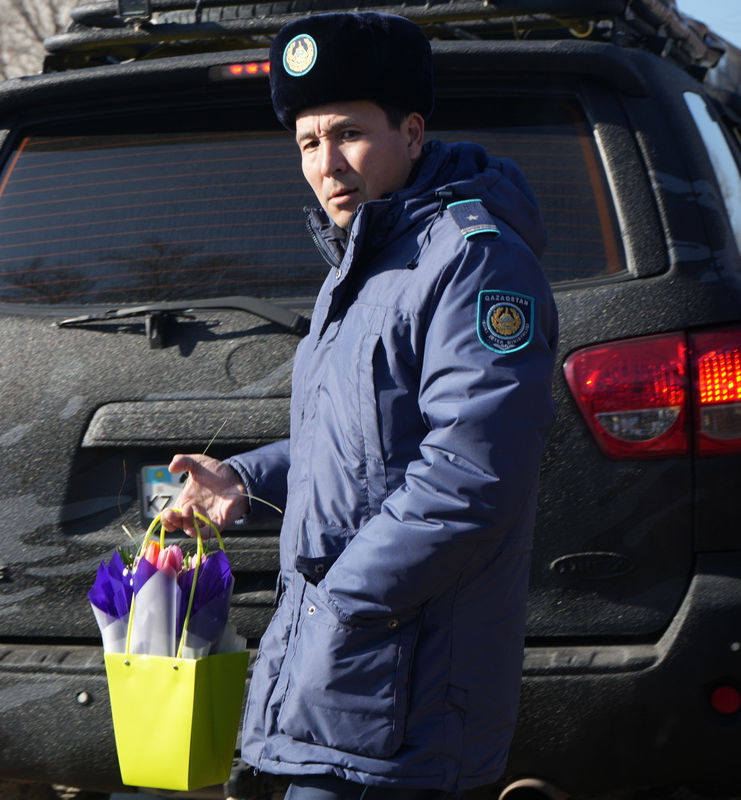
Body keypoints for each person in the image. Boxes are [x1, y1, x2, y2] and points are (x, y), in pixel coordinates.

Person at [159, 12, 558, 800]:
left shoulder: (473, 262)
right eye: (308, 142)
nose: (326, 163)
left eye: (349, 134)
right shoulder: (366, 262)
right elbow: (360, 445)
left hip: (407, 692)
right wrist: (244, 480)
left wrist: (339, 604)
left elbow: (472, 478)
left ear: (412, 132)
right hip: (343, 674)